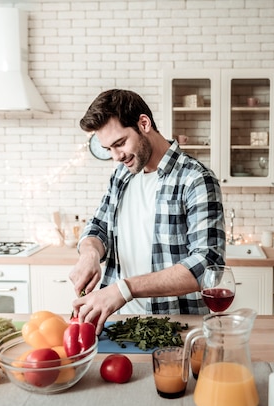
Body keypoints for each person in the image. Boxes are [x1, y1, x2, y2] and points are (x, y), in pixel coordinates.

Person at [69, 89, 226, 334]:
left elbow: (206, 266)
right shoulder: (122, 175)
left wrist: (124, 289)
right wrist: (89, 254)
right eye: (108, 148)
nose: (116, 157)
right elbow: (98, 227)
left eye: (120, 144)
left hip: (174, 326)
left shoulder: (195, 179)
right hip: (119, 323)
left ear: (144, 123)